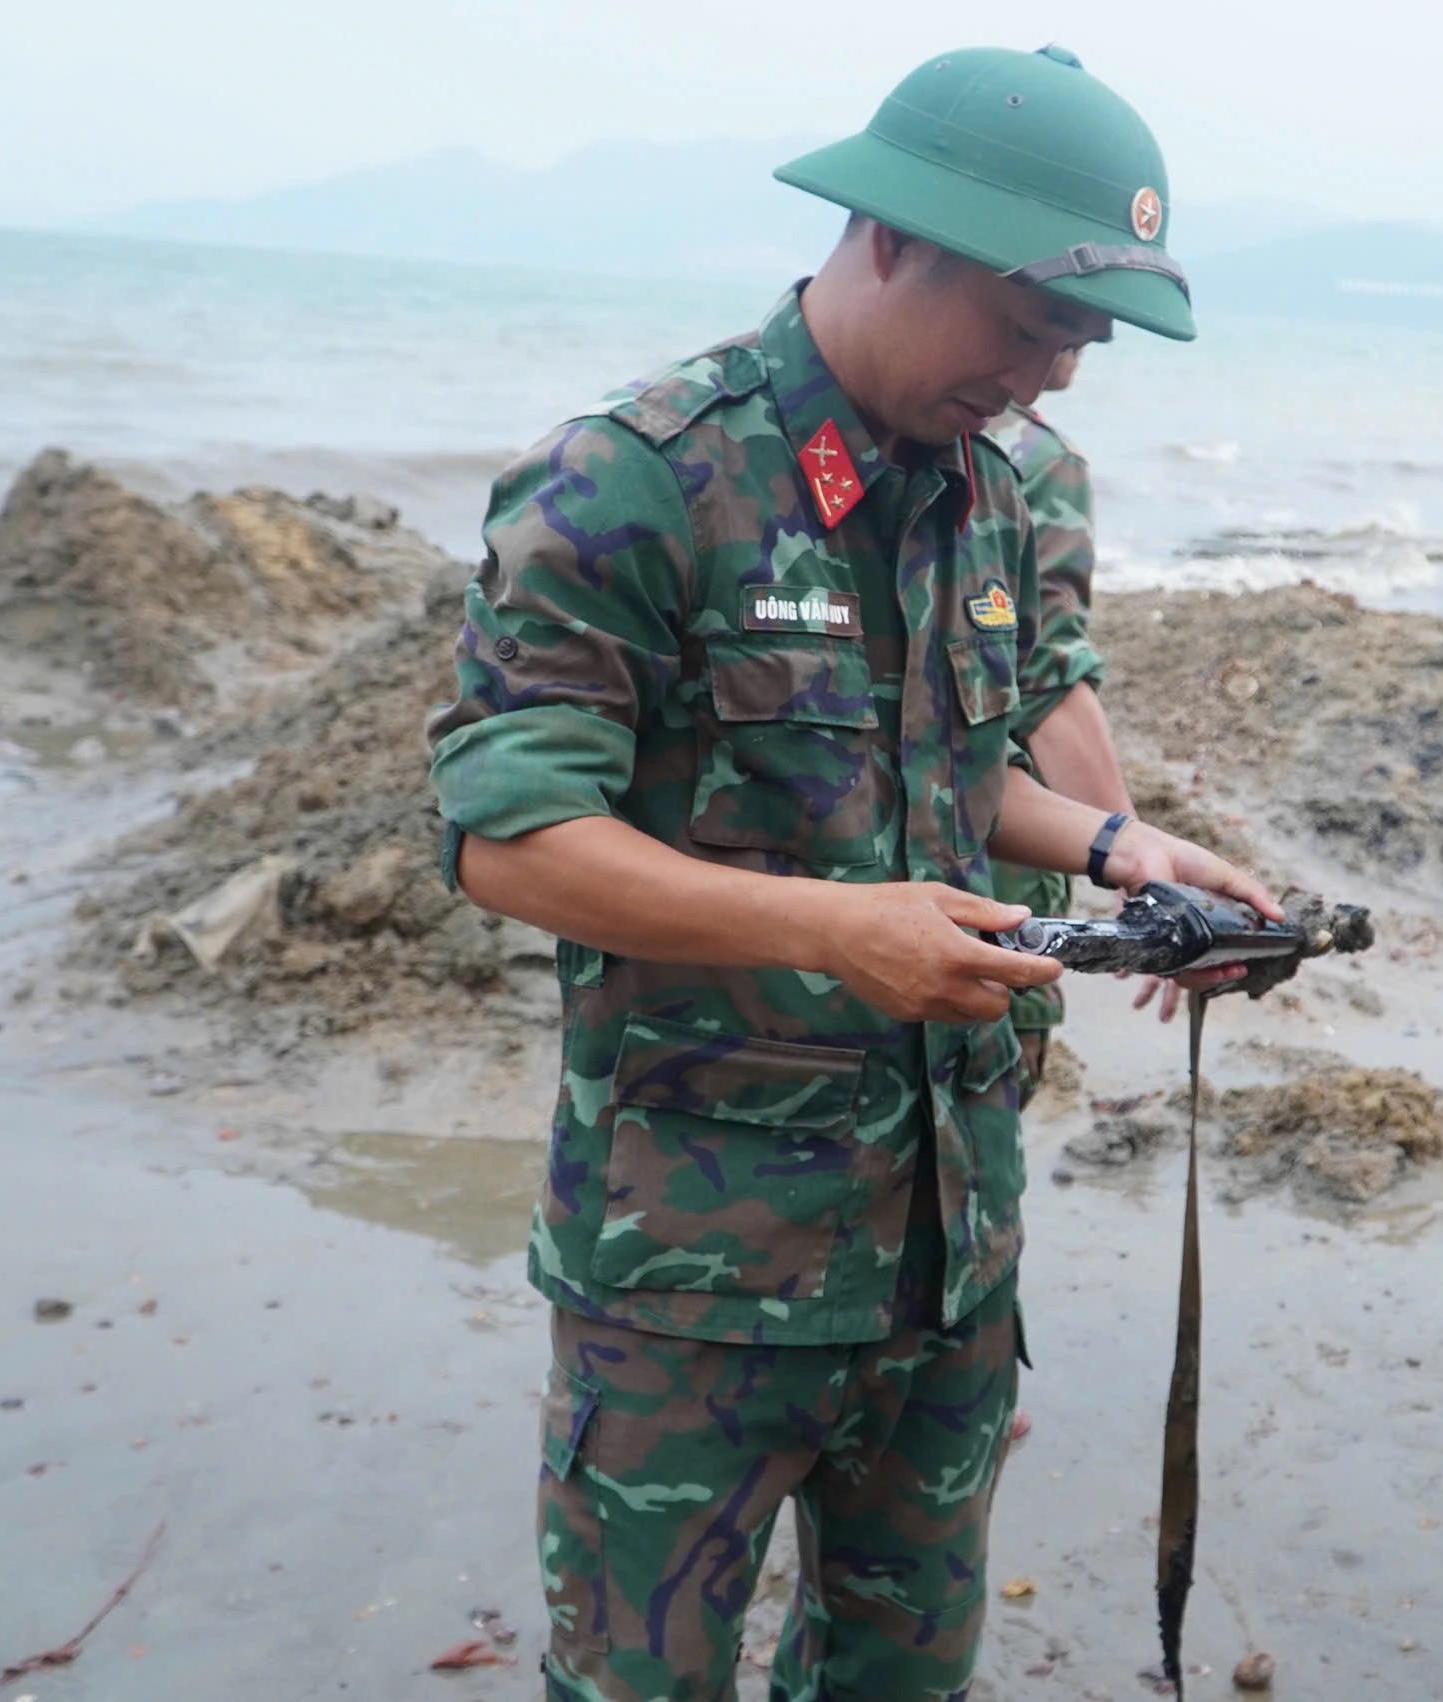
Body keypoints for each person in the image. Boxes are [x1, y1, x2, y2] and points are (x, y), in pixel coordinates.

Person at [424, 45, 1274, 1701]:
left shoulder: (1015, 489)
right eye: (1032, 326)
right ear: (892, 237)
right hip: (693, 1273)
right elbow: (507, 837)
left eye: (1082, 341)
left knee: (902, 1674)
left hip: (947, 1254)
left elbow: (968, 764)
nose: (1055, 377)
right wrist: (831, 929)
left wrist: (1122, 849)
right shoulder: (638, 477)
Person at [983, 347, 1140, 1100]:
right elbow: (1043, 680)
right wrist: (1138, 866)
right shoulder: (1033, 460)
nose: (1096, 334)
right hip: (995, 895)